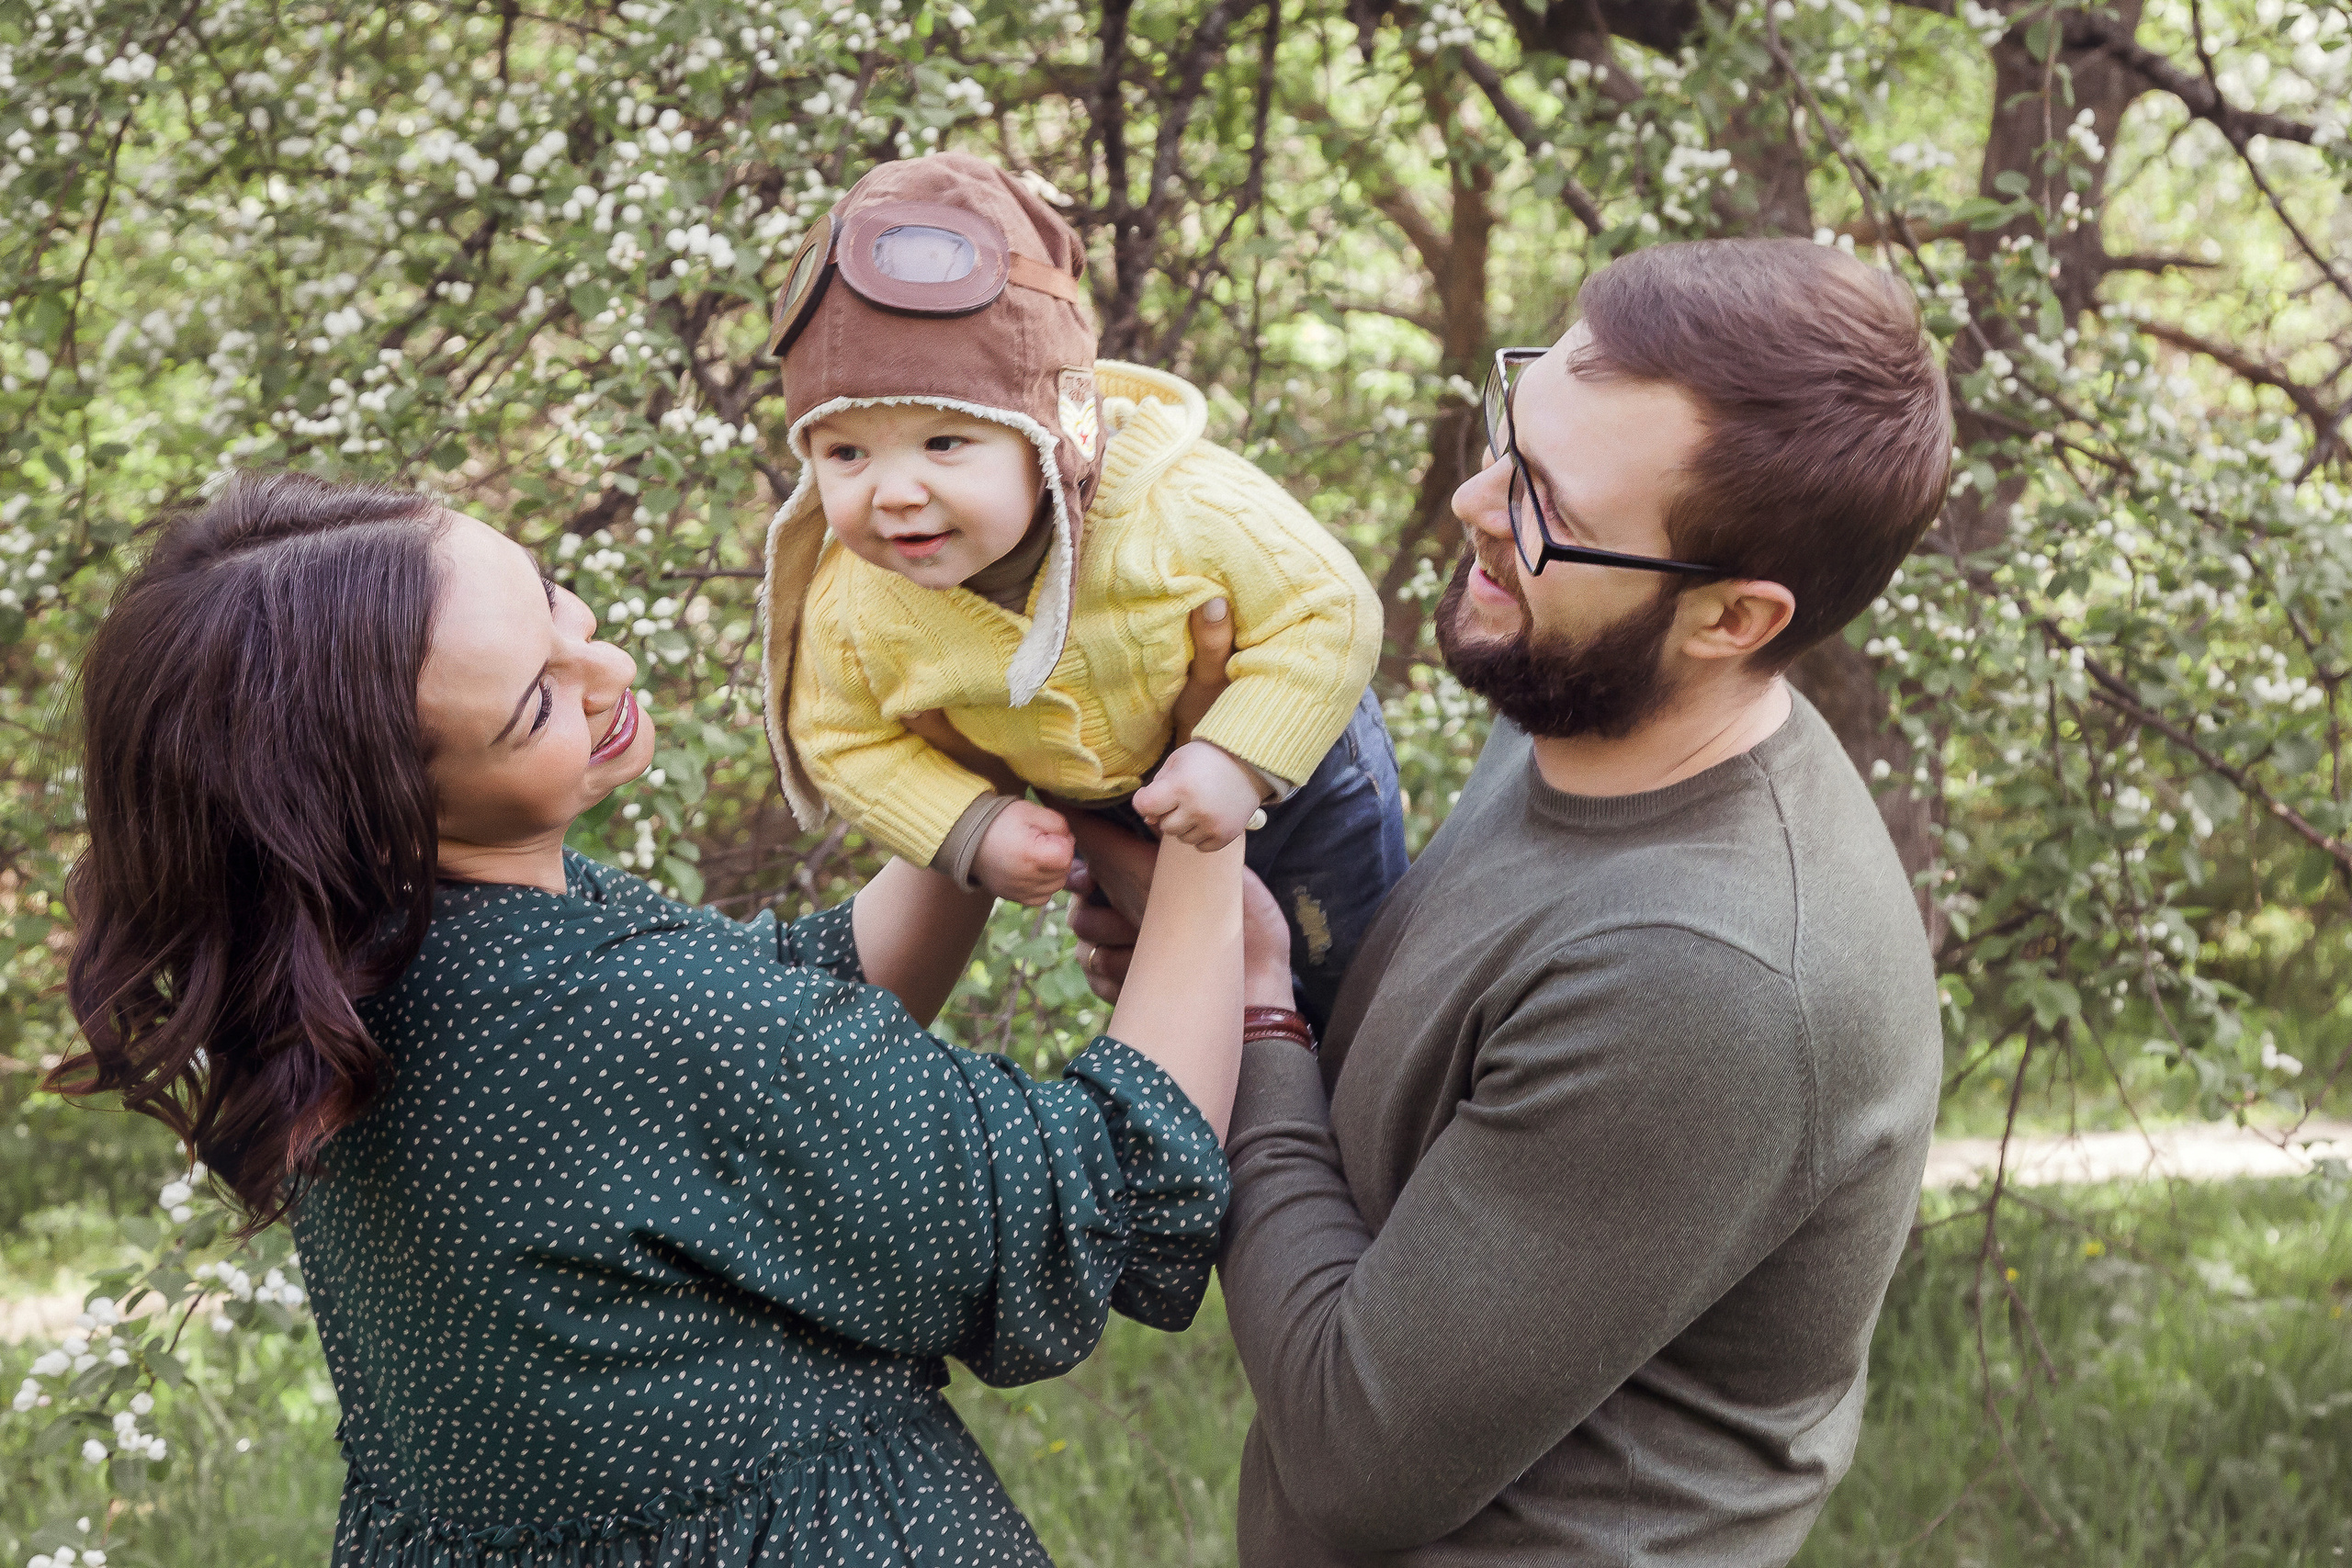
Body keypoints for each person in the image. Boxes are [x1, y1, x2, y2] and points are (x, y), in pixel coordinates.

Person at [48, 470, 1290, 1566]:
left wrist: (978, 758)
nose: (609, 670)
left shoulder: (353, 955)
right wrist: (1209, 793)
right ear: (377, 811)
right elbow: (1110, 1175)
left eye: (556, 605)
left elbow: (785, 1028)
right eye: (536, 704)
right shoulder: (622, 1014)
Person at [1069, 237, 1954, 1564]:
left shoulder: (1707, 973)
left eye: (1544, 500)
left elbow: (1350, 1449)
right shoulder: (1584, 701)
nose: (1476, 501)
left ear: (1733, 617)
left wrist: (1242, 993)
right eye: (1510, 432)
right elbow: (1439, 1095)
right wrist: (1224, 948)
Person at [761, 152, 1408, 1030]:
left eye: (945, 442)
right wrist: (969, 826)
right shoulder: (857, 606)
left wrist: (1236, 758)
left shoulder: (1177, 506)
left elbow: (1327, 611)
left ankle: (1366, 1084)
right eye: (845, 453)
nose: (894, 491)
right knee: (1185, 1003)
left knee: (1349, 971)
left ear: (1052, 433)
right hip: (1111, 812)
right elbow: (836, 735)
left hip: (1297, 768)